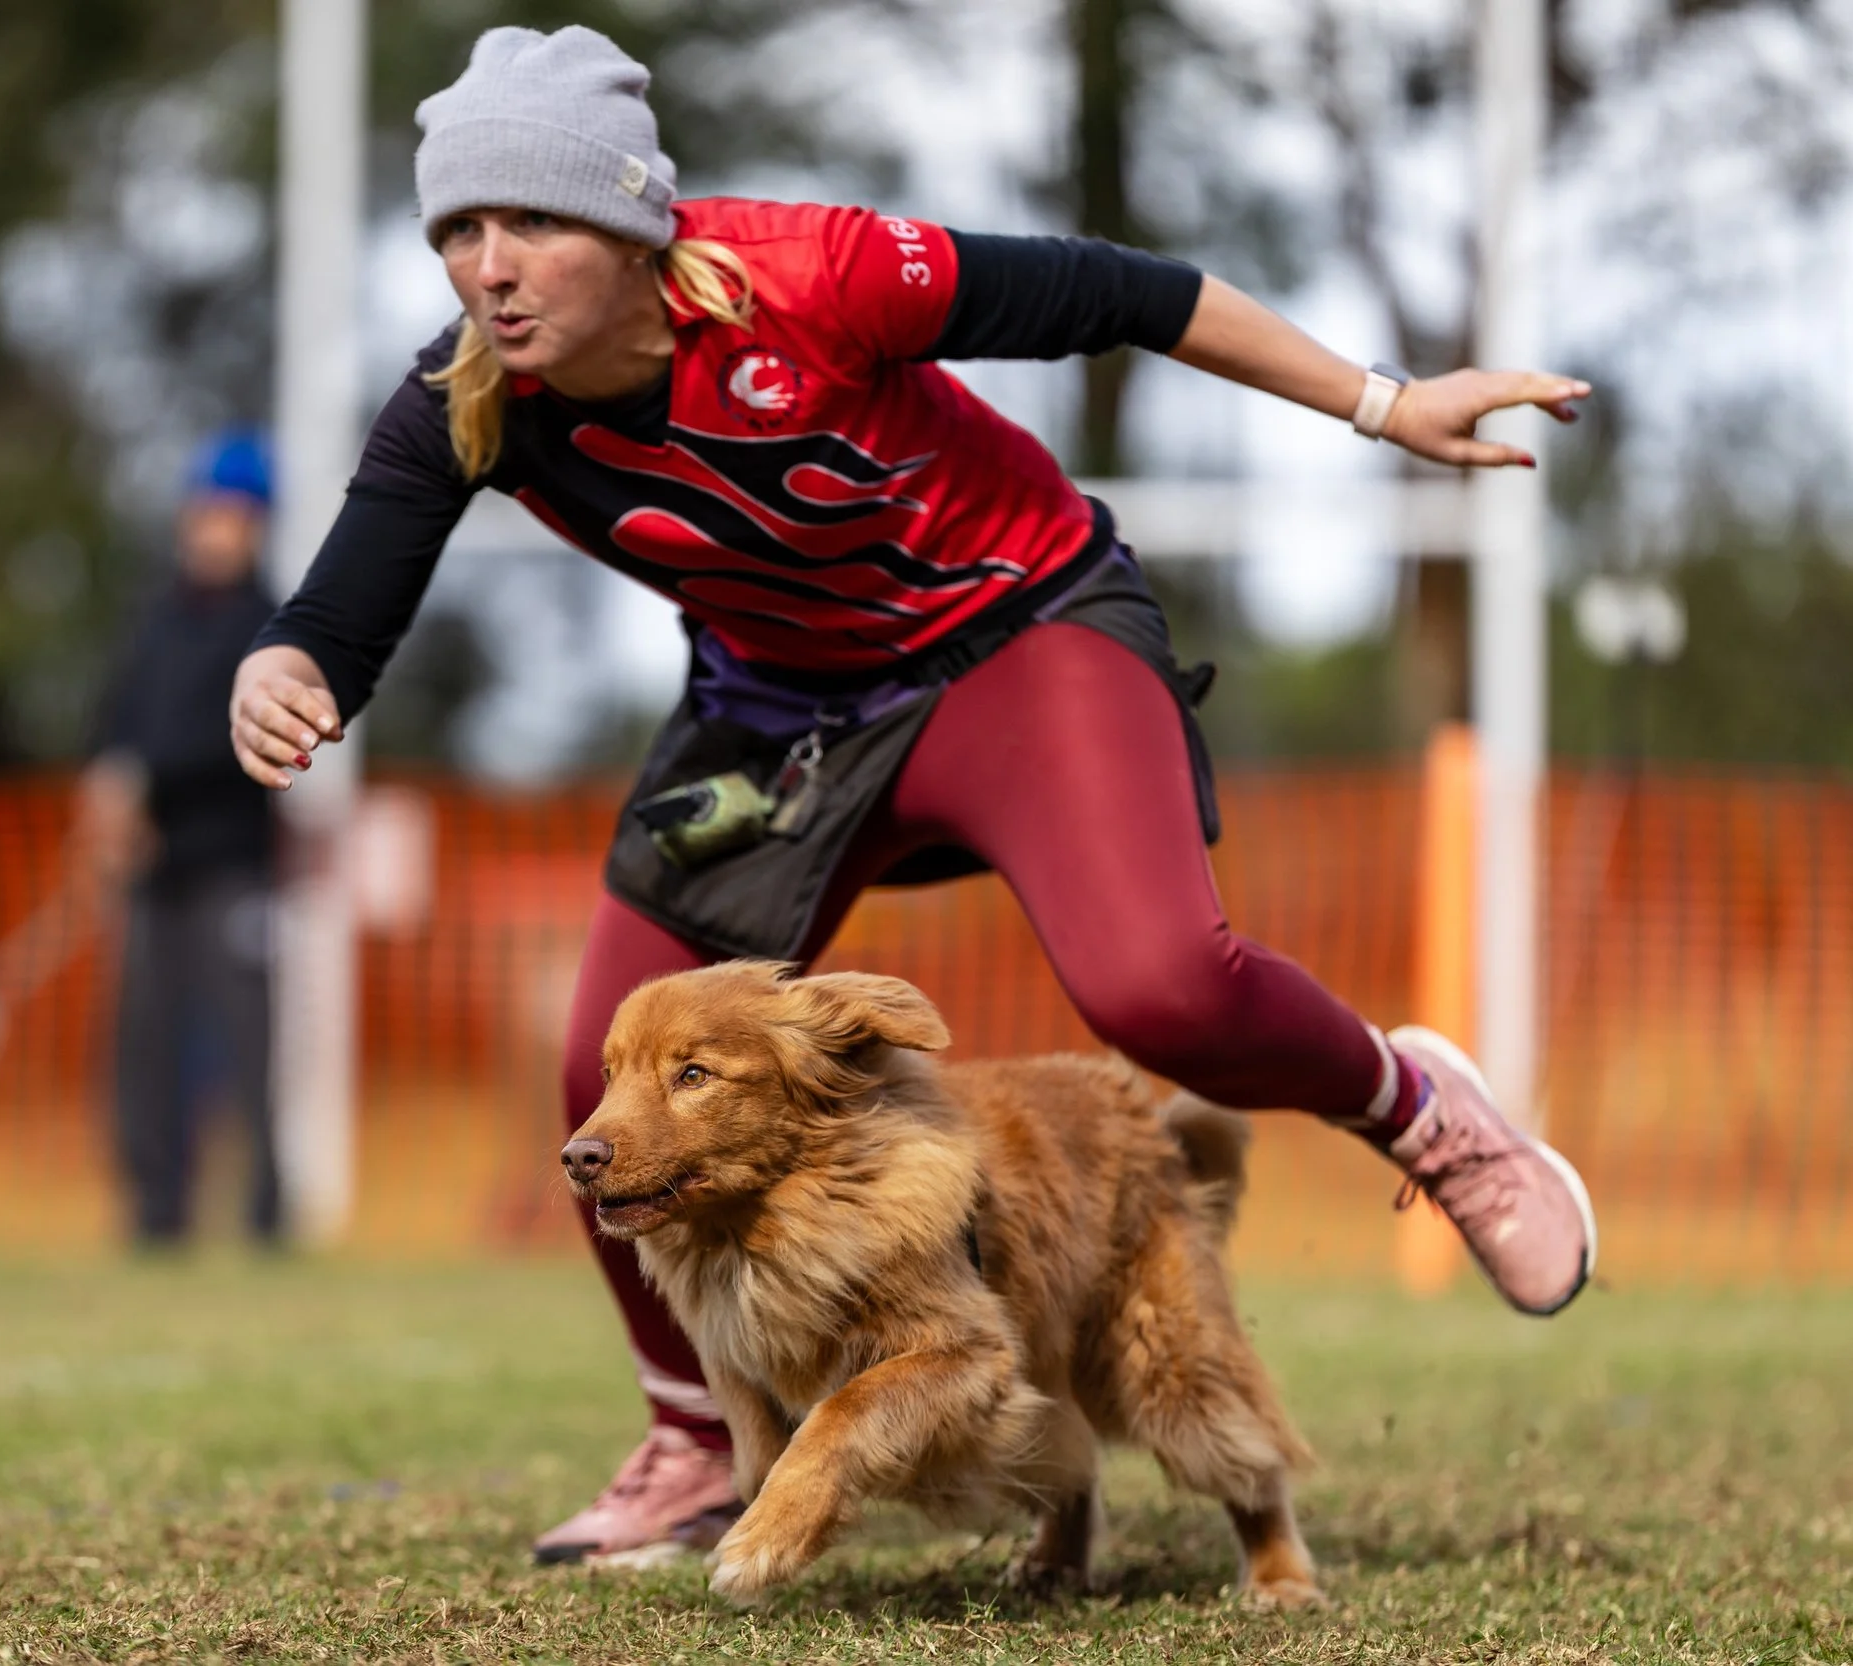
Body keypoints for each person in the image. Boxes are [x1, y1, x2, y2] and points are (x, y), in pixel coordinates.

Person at [230, 25, 1599, 1565]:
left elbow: (1126, 292)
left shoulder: (818, 276)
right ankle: (696, 1435)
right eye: (459, 229)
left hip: (1017, 632)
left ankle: (1423, 1112)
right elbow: (340, 613)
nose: (489, 265)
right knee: (602, 1061)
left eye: (532, 218)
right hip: (782, 712)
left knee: (1157, 985)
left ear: (632, 218)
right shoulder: (463, 400)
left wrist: (1384, 405)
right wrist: (284, 668)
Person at [83, 430, 284, 1250]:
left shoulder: (270, 625)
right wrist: (108, 789)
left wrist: (147, 783)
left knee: (248, 1046)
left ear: (256, 526)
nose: (215, 530)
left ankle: (266, 1217)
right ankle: (156, 1215)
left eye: (233, 516)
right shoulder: (155, 618)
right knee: (145, 1044)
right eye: (207, 513)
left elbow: (242, 738)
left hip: (232, 865)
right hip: (153, 872)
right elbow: (117, 718)